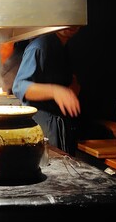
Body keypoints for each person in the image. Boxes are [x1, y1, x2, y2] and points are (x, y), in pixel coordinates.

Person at [12, 26, 82, 155]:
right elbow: (19, 86)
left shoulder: (64, 47)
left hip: (61, 128)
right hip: (42, 129)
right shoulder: (39, 47)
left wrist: (71, 89)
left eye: (75, 21)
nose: (71, 25)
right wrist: (56, 91)